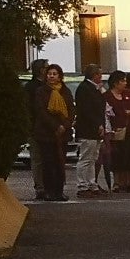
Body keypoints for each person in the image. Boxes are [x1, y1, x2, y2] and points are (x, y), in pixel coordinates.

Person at [30, 63, 72, 201]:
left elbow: (71, 110)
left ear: (60, 76)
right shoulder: (41, 91)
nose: (51, 76)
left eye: (54, 74)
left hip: (62, 133)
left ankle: (59, 191)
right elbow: (41, 111)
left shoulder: (65, 91)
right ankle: (48, 191)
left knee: (59, 161)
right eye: (49, 74)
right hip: (46, 133)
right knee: (48, 163)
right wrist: (55, 126)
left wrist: (64, 125)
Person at [73, 65, 105, 198]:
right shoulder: (85, 89)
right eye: (99, 74)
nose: (101, 77)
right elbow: (87, 110)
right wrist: (97, 124)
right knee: (86, 158)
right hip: (88, 128)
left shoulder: (94, 89)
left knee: (93, 158)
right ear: (94, 75)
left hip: (95, 128)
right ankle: (82, 185)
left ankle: (92, 183)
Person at [25, 58, 51, 200]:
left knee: (49, 158)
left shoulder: (49, 86)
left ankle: (49, 186)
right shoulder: (31, 87)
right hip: (36, 128)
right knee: (38, 159)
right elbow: (31, 109)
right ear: (41, 70)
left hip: (49, 128)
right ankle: (40, 187)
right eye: (46, 67)